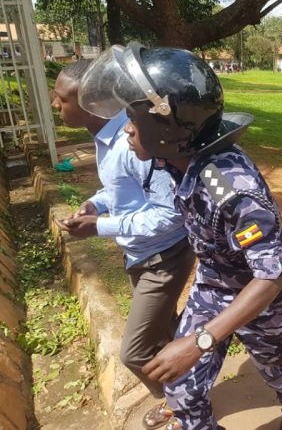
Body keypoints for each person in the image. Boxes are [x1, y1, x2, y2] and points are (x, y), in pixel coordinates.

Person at [78, 43, 282, 430]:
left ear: (169, 128)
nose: (128, 129)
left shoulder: (231, 189)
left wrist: (200, 340)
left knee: (278, 371)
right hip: (216, 286)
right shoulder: (170, 159)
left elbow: (272, 275)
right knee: (181, 388)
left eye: (133, 118)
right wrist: (98, 207)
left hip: (264, 296)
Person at [53, 60, 195, 430]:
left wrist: (100, 225)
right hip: (141, 254)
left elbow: (171, 214)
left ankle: (177, 404)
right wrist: (97, 204)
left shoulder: (133, 141)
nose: (55, 105)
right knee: (162, 332)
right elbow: (122, 190)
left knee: (133, 351)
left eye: (60, 98)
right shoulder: (106, 138)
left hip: (164, 257)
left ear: (86, 105)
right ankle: (190, 386)